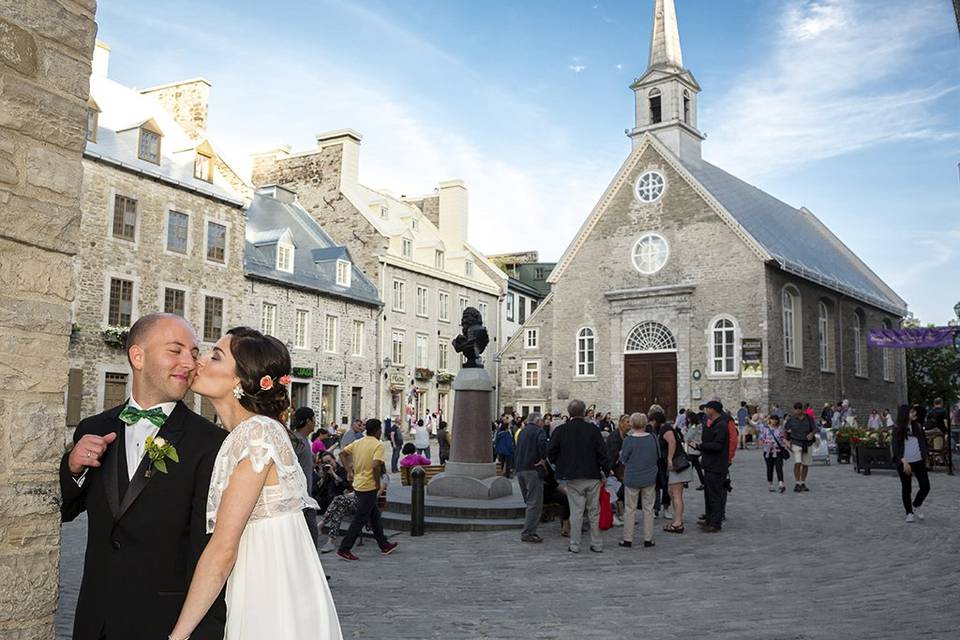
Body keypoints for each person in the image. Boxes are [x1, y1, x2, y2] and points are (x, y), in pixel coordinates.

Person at [60, 313, 227, 640]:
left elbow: (210, 552)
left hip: (164, 624)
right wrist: (73, 469)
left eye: (193, 354)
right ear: (138, 356)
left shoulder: (210, 443)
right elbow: (66, 510)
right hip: (96, 621)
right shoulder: (94, 428)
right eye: (175, 351)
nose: (189, 363)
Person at [169, 326, 340, 639]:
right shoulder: (253, 432)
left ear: (239, 379)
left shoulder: (257, 434)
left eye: (215, 356)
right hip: (266, 580)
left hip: (269, 591)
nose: (201, 361)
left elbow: (222, 549)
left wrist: (177, 636)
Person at [547, 399, 610, 553]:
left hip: (572, 476)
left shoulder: (561, 430)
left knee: (576, 511)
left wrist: (561, 465)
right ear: (584, 412)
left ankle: (575, 544)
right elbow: (603, 453)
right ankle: (596, 543)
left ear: (569, 413)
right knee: (594, 511)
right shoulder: (593, 430)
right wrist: (605, 471)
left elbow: (550, 452)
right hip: (592, 474)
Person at [336, 419, 399, 561]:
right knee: (360, 518)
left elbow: (342, 454)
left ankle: (384, 544)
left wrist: (349, 471)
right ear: (378, 430)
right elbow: (376, 465)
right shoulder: (378, 445)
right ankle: (344, 548)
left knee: (374, 515)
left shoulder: (359, 442)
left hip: (358, 483)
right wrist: (377, 483)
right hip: (369, 485)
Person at [618, 412, 659, 548]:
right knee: (648, 508)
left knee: (630, 508)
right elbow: (657, 455)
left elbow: (623, 458)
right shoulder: (653, 438)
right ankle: (648, 538)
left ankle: (628, 538)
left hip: (633, 476)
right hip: (649, 476)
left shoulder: (628, 440)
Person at [695, 400, 730, 533]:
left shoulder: (721, 425)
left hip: (716, 465)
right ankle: (710, 519)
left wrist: (701, 446)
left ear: (713, 410)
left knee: (715, 494)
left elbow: (717, 445)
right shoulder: (715, 424)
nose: (705, 411)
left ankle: (715, 523)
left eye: (707, 408)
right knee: (709, 494)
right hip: (710, 464)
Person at [892, 405, 931, 523]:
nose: (914, 413)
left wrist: (926, 457)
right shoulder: (897, 428)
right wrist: (903, 461)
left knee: (925, 486)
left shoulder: (918, 426)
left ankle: (916, 504)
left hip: (918, 461)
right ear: (905, 414)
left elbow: (923, 443)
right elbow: (895, 448)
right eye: (912, 412)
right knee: (906, 488)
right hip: (905, 462)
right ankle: (909, 512)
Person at [515, 412, 548, 543]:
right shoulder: (539, 432)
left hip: (520, 468)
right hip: (532, 468)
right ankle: (528, 532)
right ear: (538, 421)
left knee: (529, 501)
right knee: (534, 502)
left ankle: (529, 529)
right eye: (542, 420)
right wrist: (543, 458)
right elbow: (543, 445)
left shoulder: (522, 432)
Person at [291, 406, 320, 549]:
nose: (315, 422)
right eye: (313, 419)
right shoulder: (298, 441)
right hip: (301, 498)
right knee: (310, 534)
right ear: (308, 421)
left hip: (305, 496)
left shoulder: (303, 441)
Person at [661, 415, 692, 534]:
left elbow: (672, 442)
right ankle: (677, 519)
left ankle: (678, 523)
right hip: (677, 465)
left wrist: (669, 459)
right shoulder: (668, 428)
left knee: (676, 494)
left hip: (677, 465)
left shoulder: (666, 429)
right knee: (672, 492)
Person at [785, 402, 817, 492]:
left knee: (805, 464)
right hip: (796, 442)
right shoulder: (791, 419)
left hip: (807, 444)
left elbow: (815, 428)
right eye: (796, 409)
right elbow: (785, 429)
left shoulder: (809, 418)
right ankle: (797, 483)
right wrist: (786, 441)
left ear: (802, 409)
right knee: (797, 463)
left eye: (799, 409)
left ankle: (803, 482)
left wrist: (812, 433)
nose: (797, 411)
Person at [607, 414, 631, 526]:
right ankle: (619, 512)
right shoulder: (614, 436)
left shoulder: (626, 436)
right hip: (614, 466)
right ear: (621, 423)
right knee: (618, 488)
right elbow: (611, 454)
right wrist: (610, 468)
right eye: (627, 422)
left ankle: (622, 512)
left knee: (622, 487)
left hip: (622, 467)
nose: (629, 424)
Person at [757, 414, 787, 493]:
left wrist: (787, 444)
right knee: (770, 468)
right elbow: (760, 439)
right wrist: (767, 441)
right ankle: (770, 484)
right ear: (769, 420)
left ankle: (781, 483)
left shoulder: (780, 429)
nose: (774, 421)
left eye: (775, 419)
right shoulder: (765, 429)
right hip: (768, 451)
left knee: (779, 467)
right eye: (772, 419)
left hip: (778, 451)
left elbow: (782, 438)